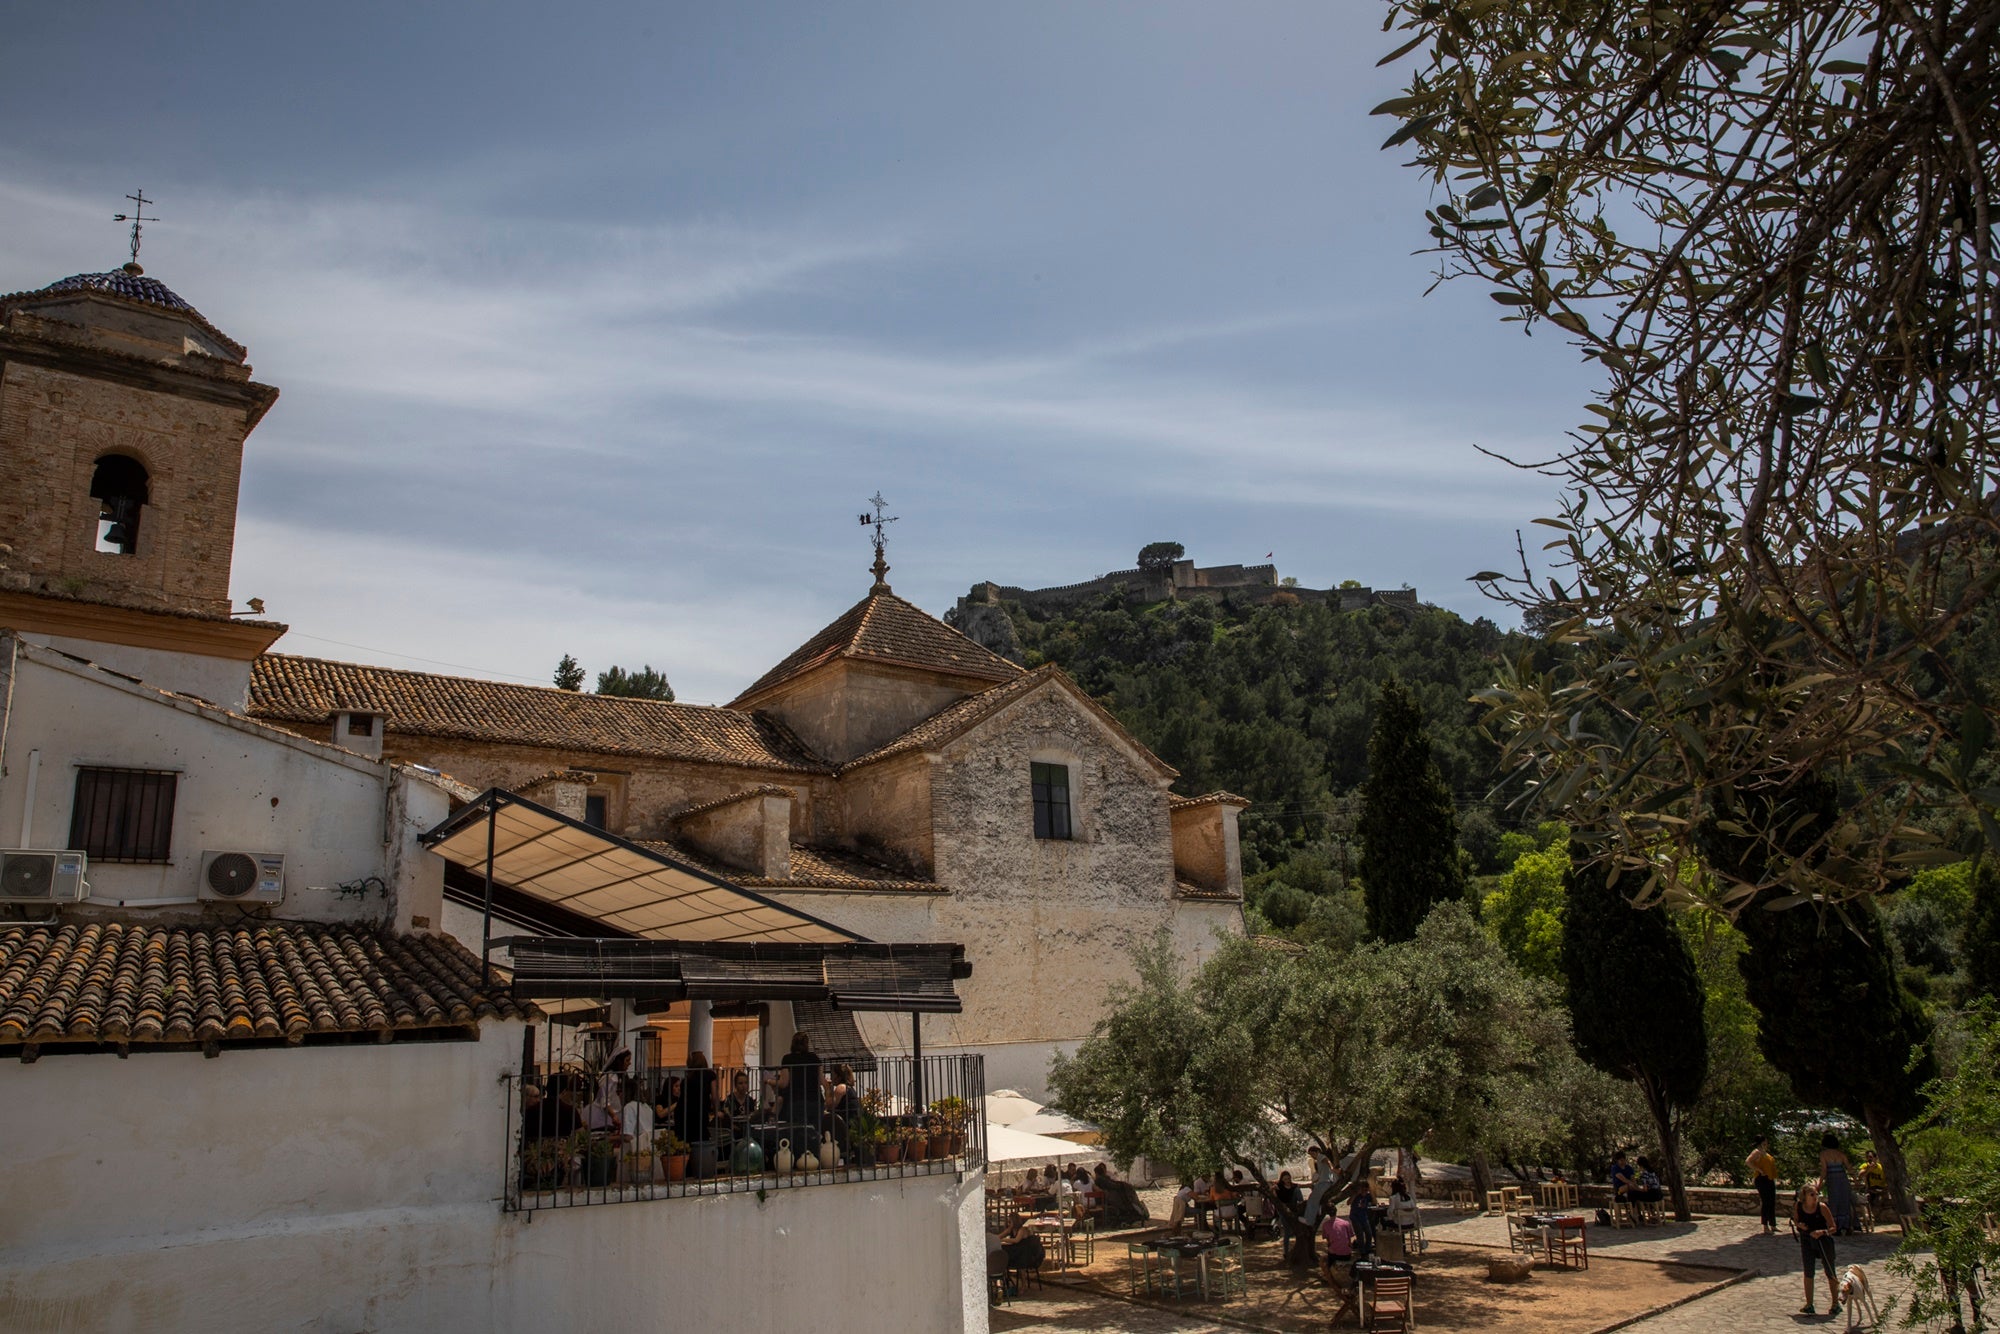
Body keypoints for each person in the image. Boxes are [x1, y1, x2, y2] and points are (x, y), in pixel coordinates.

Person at [1791, 1183, 1841, 1317]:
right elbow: (1795, 1220)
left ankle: (1835, 1304)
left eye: (1816, 1194)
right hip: (1807, 1240)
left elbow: (1833, 1227)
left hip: (1823, 1241)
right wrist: (1799, 1225)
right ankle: (1809, 1304)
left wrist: (1822, 1232)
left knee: (1830, 1271)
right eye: (1812, 1194)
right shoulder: (1799, 1207)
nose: (1815, 1197)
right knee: (1808, 1271)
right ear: (1804, 1196)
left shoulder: (1822, 1208)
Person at [776, 1031, 823, 1149]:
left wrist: (770, 1082)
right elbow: (821, 1080)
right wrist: (827, 1093)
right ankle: (815, 1155)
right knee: (815, 1131)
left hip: (797, 1101)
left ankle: (801, 1157)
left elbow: (784, 1083)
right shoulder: (814, 1058)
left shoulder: (788, 1059)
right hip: (815, 1100)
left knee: (799, 1133)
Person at [1819, 1133, 1856, 1233]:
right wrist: (1855, 1179)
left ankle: (1835, 1226)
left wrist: (1819, 1183)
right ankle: (1847, 1225)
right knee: (1844, 1201)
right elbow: (1849, 1168)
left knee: (1834, 1202)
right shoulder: (1841, 1154)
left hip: (1832, 1178)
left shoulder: (1824, 1154)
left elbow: (1824, 1170)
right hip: (1843, 1178)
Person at [1095, 1163, 1150, 1229]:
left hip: (1113, 1199)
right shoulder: (1105, 1179)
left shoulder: (1100, 1180)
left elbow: (1111, 1186)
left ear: (1097, 1173)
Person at [1747, 1136, 1780, 1235]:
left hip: (1769, 1179)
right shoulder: (1756, 1152)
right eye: (1765, 1140)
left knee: (1771, 1202)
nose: (1767, 1142)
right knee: (1766, 1202)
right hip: (1762, 1179)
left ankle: (1773, 1225)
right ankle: (1765, 1226)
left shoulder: (1765, 1152)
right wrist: (1759, 1170)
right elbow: (1748, 1161)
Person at [1319, 1207, 1357, 1286]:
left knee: (1326, 1258)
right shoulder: (1345, 1223)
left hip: (1335, 1254)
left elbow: (1328, 1240)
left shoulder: (1326, 1225)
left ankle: (1328, 1277)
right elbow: (1350, 1238)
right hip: (1346, 1253)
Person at [1274, 1169, 1305, 1256]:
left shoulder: (1294, 1187)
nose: (1287, 1181)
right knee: (1287, 1231)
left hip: (1293, 1207)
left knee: (1297, 1229)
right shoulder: (1279, 1186)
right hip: (1284, 1210)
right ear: (1282, 1180)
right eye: (1285, 1179)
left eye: (1288, 1179)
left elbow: (1299, 1189)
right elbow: (1275, 1196)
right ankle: (1286, 1252)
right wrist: (1273, 1189)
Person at [1304, 1145, 1334, 1226]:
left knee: (1312, 1200)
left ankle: (1309, 1220)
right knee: (1316, 1199)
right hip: (1324, 1181)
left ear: (1316, 1152)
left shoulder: (1321, 1156)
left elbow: (1327, 1161)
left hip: (1324, 1182)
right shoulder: (1319, 1160)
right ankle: (1316, 1213)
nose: (1312, 1156)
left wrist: (1332, 1168)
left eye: (1312, 1154)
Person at [1348, 1179, 1378, 1256]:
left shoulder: (1368, 1196)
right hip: (1355, 1217)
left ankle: (1368, 1248)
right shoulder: (1357, 1196)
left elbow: (1375, 1202)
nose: (1364, 1192)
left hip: (1364, 1217)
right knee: (1360, 1235)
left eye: (1366, 1190)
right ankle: (1362, 1251)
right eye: (1363, 1190)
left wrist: (1371, 1192)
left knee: (1369, 1233)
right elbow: (1349, 1202)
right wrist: (1355, 1194)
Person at [1858, 1149, 1887, 1213]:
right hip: (1870, 1188)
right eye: (1867, 1157)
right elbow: (1860, 1175)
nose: (1869, 1159)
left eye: (1871, 1157)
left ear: (1875, 1158)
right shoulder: (1865, 1166)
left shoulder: (1881, 1167)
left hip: (1881, 1188)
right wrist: (1869, 1169)